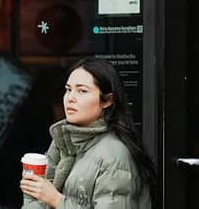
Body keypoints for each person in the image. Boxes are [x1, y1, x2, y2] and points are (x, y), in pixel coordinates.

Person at [20, 57, 159, 208]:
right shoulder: (64, 140)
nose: (70, 98)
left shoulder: (114, 155)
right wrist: (32, 194)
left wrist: (56, 199)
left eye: (82, 91)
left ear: (107, 100)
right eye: (68, 89)